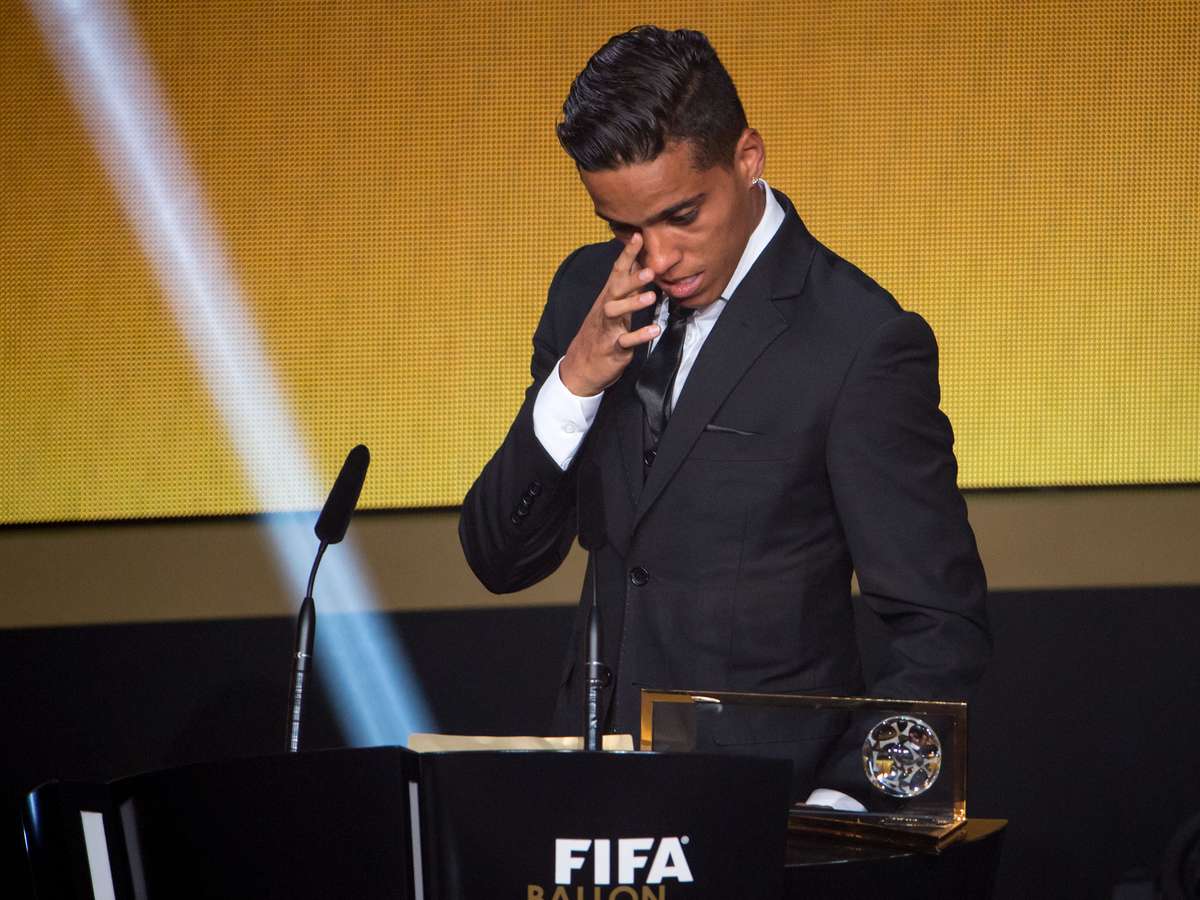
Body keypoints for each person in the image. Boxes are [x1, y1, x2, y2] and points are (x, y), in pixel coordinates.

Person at [459, 26, 990, 805]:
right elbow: (499, 559)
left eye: (682, 215)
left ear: (747, 158)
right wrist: (575, 381)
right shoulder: (587, 297)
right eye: (623, 228)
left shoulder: (859, 342)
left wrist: (846, 807)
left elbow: (942, 629)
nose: (656, 257)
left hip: (769, 811)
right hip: (594, 800)